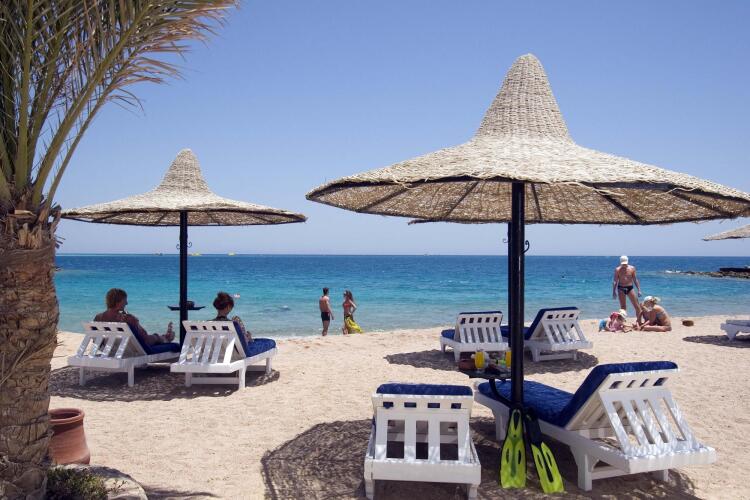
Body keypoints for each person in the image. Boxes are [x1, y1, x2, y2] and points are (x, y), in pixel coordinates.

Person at [95, 288, 174, 346]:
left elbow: (96, 341)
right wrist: (157, 337)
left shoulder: (98, 317)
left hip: (109, 349)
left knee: (156, 337)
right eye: (124, 300)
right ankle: (165, 338)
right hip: (130, 349)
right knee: (155, 337)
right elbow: (145, 339)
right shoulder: (128, 318)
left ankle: (164, 337)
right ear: (117, 303)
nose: (127, 303)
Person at [612, 255, 642, 320]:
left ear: (627, 262)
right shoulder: (617, 269)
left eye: (625, 263)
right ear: (620, 262)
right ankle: (622, 322)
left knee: (637, 306)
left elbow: (635, 279)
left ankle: (639, 322)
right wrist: (614, 291)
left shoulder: (632, 268)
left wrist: (639, 290)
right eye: (623, 264)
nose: (624, 265)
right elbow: (615, 281)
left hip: (630, 288)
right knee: (623, 307)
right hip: (621, 288)